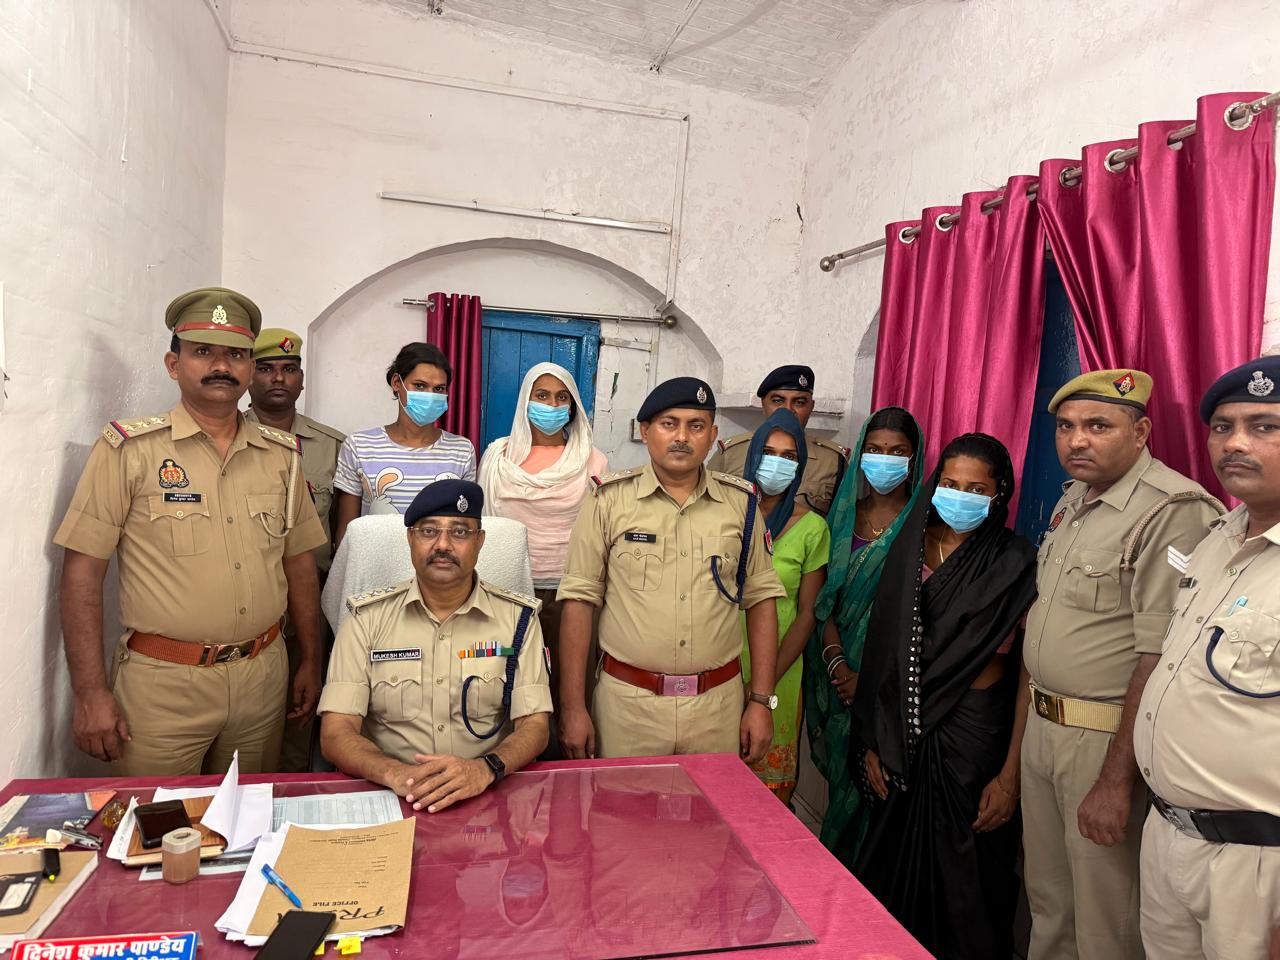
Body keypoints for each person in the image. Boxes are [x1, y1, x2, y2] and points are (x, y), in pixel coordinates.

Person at [53, 287, 327, 775]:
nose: (221, 366)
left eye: (236, 355)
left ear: (249, 367)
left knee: (248, 814)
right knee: (156, 819)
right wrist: (90, 692)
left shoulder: (281, 456)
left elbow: (299, 563)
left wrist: (310, 658)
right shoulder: (129, 451)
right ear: (173, 364)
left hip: (262, 679)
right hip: (163, 688)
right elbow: (82, 573)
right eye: (203, 351)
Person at [1021, 369, 1223, 960]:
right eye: (1066, 427)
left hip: (1105, 739)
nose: (1077, 440)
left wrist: (1115, 781)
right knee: (1049, 904)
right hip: (1043, 726)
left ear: (1140, 433)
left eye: (1098, 426)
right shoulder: (1074, 500)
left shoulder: (1171, 510)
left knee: (1105, 920)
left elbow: (1160, 657)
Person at [852, 433, 1038, 959]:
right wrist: (875, 741)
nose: (960, 496)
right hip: (904, 738)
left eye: (976, 489)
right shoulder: (909, 548)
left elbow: (1027, 675)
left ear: (999, 493)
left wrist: (1010, 776)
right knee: (891, 869)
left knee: (969, 879)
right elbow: (884, 653)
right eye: (950, 484)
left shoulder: (1017, 563)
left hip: (977, 742)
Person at [556, 377, 786, 762]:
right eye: (669, 424)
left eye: (696, 426)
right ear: (646, 431)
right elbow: (579, 602)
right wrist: (573, 707)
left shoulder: (741, 505)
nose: (682, 437)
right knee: (623, 802)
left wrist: (762, 702)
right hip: (628, 709)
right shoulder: (608, 501)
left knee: (712, 803)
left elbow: (762, 601)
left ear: (712, 436)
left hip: (717, 710)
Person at [1135, 356, 1280, 960]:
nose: (1235, 443)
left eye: (1264, 426)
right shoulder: (1216, 539)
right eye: (1223, 427)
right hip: (1169, 838)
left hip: (1258, 868)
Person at [318, 480, 551, 813]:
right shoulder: (366, 619)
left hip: (487, 795)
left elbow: (536, 727)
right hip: (392, 796)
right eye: (428, 532)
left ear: (480, 541)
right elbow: (336, 732)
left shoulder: (519, 621)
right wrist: (395, 773)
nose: (443, 545)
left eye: (459, 532)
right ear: (410, 539)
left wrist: (484, 769)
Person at [804, 406, 924, 863]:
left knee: (881, 809)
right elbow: (824, 604)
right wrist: (838, 664)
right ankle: (835, 890)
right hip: (839, 680)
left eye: (897, 451)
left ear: (914, 458)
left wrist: (870, 681)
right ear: (859, 455)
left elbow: (922, 616)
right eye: (875, 449)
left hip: (893, 690)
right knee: (843, 794)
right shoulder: (839, 519)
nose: (884, 460)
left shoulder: (925, 526)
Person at [478, 361, 608, 751]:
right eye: (542, 396)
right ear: (526, 400)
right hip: (506, 595)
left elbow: (602, 531)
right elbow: (484, 524)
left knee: (571, 695)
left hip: (573, 597)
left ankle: (570, 770)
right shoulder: (498, 457)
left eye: (560, 397)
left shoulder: (592, 460)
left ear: (572, 406)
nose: (551, 405)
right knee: (504, 688)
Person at [245, 326, 346, 771]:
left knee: (300, 715)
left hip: (311, 601)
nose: (278, 379)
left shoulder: (332, 446)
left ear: (302, 379)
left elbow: (342, 535)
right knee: (246, 721)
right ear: (249, 375)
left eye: (289, 369)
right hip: (249, 601)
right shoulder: (225, 438)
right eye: (266, 368)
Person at [737, 409, 830, 804]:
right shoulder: (728, 514)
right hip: (719, 665)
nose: (777, 463)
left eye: (789, 456)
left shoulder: (813, 528)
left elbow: (807, 613)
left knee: (766, 797)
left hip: (780, 669)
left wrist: (763, 683)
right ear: (753, 454)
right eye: (769, 452)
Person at [333, 341, 476, 546]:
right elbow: (347, 534)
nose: (430, 396)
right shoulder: (359, 446)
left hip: (438, 561)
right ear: (396, 383)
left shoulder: (462, 450)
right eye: (420, 385)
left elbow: (465, 526)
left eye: (439, 388)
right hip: (375, 561)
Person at [707, 365, 849, 515]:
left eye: (799, 402)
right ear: (763, 404)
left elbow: (841, 521)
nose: (788, 410)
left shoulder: (832, 461)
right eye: (778, 401)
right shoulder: (731, 453)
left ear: (811, 407)